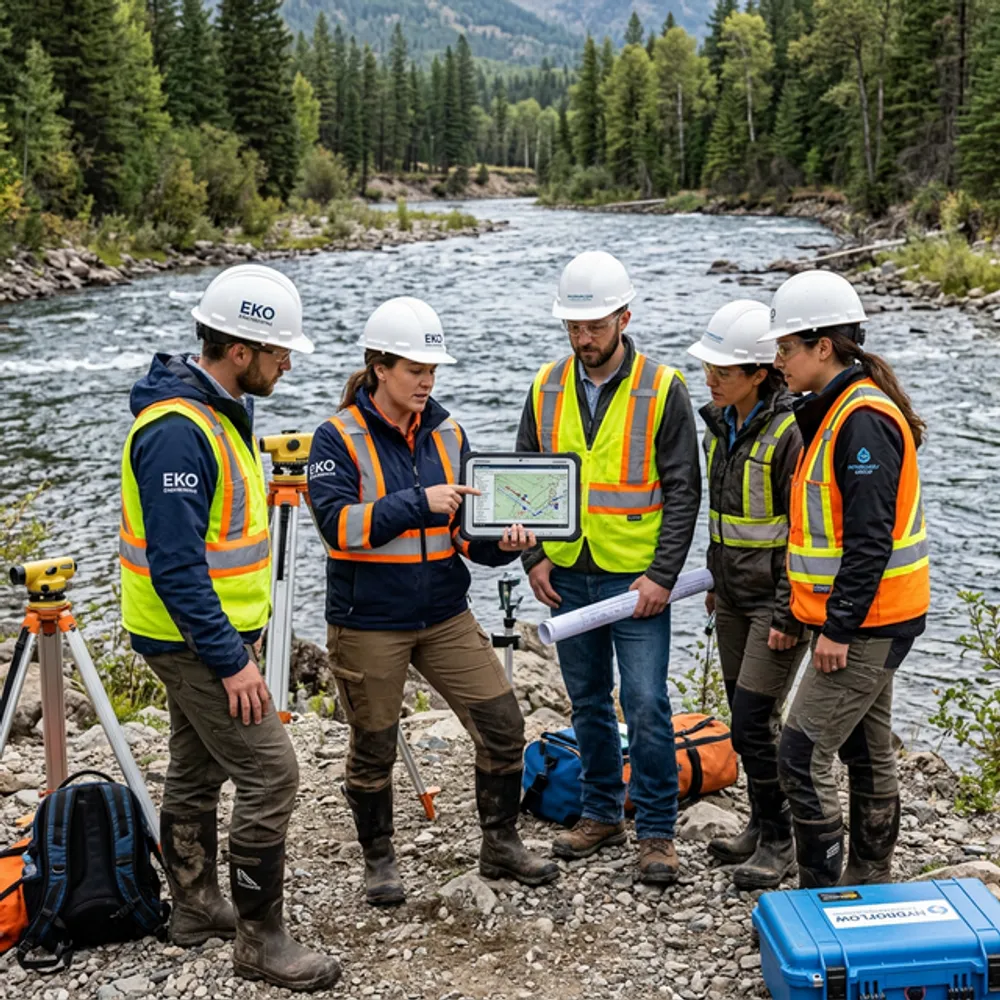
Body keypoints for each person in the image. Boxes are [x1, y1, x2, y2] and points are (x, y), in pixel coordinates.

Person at [119, 264, 341, 991]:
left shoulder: (214, 413)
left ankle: (194, 908)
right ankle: (259, 941)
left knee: (195, 768)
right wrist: (231, 660)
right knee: (272, 774)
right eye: (279, 353)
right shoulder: (178, 433)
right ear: (240, 350)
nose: (287, 365)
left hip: (197, 635)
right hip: (191, 640)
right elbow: (178, 566)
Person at [307, 296, 559, 907]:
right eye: (415, 369)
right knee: (373, 746)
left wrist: (503, 544)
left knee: (504, 726)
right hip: (369, 621)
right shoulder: (336, 436)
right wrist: (420, 502)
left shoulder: (449, 432)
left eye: (433, 370)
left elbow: (465, 534)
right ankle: (379, 859)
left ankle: (500, 843)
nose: (427, 381)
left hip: (444, 614)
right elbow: (337, 528)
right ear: (380, 368)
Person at [517, 251, 701, 885]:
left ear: (624, 317)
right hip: (568, 572)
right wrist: (535, 557)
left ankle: (657, 831)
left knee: (646, 703)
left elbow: (684, 490)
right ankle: (600, 812)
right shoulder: (545, 387)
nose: (583, 338)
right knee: (588, 701)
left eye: (594, 326)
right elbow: (525, 481)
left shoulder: (663, 388)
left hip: (636, 580)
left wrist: (664, 575)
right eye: (573, 327)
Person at [758, 270, 930, 887]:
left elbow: (869, 538)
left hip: (867, 622)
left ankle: (824, 895)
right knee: (866, 747)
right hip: (870, 617)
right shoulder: (836, 410)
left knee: (801, 754)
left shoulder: (861, 420)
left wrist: (838, 628)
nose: (778, 361)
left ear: (822, 347)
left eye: (786, 348)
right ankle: (869, 880)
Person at [687, 300, 809, 890]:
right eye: (707, 367)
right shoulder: (720, 425)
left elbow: (801, 531)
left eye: (723, 371)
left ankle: (781, 840)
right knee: (744, 720)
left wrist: (788, 612)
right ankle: (762, 826)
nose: (710, 379)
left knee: (754, 720)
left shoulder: (789, 433)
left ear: (760, 373)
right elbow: (725, 520)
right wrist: (716, 580)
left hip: (774, 604)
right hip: (733, 596)